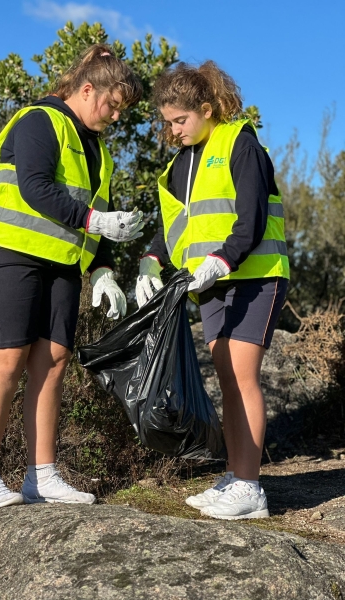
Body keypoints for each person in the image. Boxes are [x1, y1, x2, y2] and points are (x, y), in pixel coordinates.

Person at [0, 43, 143, 510]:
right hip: (7, 254)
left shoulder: (98, 151)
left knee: (55, 359)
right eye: (113, 105)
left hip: (60, 264)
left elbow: (98, 215)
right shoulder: (39, 120)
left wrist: (103, 270)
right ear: (88, 89)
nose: (116, 117)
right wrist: (95, 222)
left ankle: (40, 476)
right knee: (4, 359)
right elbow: (35, 187)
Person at [136, 61, 289, 520]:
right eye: (167, 122)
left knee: (242, 377)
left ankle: (250, 487)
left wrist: (222, 259)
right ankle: (237, 474)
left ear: (206, 108)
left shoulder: (239, 142)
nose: (174, 130)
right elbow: (175, 229)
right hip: (213, 285)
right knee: (226, 377)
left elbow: (252, 218)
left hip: (254, 276)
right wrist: (151, 260)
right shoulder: (181, 163)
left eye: (180, 120)